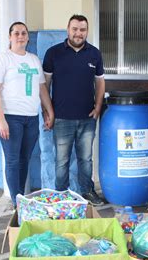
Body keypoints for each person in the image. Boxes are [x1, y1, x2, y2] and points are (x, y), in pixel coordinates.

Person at [0, 21, 54, 208]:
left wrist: (49, 112)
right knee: (12, 159)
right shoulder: (2, 60)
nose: (20, 36)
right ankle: (17, 200)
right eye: (16, 33)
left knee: (24, 158)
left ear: (28, 36)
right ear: (10, 37)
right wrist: (1, 120)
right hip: (10, 117)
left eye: (24, 33)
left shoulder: (33, 60)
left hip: (31, 117)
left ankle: (20, 197)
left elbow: (42, 89)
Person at [43, 14, 106, 206]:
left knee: (85, 159)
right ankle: (61, 195)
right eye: (75, 29)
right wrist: (47, 112)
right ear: (68, 29)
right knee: (61, 161)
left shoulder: (94, 54)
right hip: (61, 119)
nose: (79, 33)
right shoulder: (53, 53)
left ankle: (87, 191)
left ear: (87, 31)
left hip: (87, 119)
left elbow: (100, 83)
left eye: (83, 30)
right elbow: (45, 84)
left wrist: (97, 107)